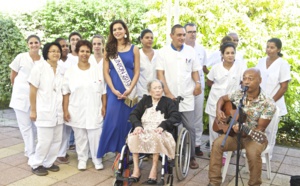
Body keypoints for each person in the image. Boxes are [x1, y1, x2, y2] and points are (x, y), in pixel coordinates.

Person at [208, 68, 276, 186]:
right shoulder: (239, 94)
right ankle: (214, 182)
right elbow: (222, 99)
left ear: (260, 80)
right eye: (244, 78)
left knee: (252, 152)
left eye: (250, 79)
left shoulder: (268, 103)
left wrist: (243, 130)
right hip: (235, 135)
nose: (246, 82)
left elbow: (260, 129)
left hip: (254, 136)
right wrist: (219, 110)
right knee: (217, 144)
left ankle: (254, 184)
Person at [156, 24, 202, 169]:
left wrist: (198, 83)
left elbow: (195, 71)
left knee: (190, 127)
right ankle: (170, 156)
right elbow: (160, 74)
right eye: (179, 35)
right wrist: (168, 94)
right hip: (169, 97)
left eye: (183, 35)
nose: (182, 37)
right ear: (171, 36)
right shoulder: (162, 52)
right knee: (169, 127)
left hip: (187, 96)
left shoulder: (190, 51)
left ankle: (191, 157)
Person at [97, 20, 140, 158]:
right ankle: (116, 152)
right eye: (114, 29)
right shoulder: (109, 49)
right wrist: (113, 89)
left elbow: (137, 72)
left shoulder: (134, 48)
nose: (117, 32)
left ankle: (128, 152)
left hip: (129, 89)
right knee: (113, 121)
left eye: (119, 29)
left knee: (127, 121)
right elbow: (106, 72)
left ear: (125, 30)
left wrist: (129, 90)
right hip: (114, 89)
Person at [62, 40, 106, 171]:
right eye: (82, 51)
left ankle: (97, 158)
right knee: (80, 136)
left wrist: (104, 107)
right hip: (76, 108)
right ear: (77, 52)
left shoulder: (97, 70)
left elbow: (103, 91)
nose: (85, 54)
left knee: (95, 135)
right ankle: (82, 159)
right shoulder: (70, 71)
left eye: (87, 51)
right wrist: (65, 110)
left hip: (94, 107)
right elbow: (66, 92)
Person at [128, 79, 181, 184]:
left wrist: (163, 125)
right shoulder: (145, 100)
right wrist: (138, 126)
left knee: (156, 137)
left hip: (160, 130)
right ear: (150, 91)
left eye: (160, 88)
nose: (158, 91)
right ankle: (136, 170)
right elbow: (133, 114)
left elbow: (176, 116)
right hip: (144, 128)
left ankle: (154, 168)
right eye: (155, 88)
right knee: (133, 137)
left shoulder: (168, 101)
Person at [205, 42, 246, 163]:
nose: (230, 55)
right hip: (215, 101)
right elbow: (209, 82)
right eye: (227, 53)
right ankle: (215, 152)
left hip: (231, 102)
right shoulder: (216, 67)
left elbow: (243, 82)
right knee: (215, 128)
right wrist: (218, 88)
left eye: (232, 53)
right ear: (222, 54)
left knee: (229, 127)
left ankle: (226, 153)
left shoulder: (240, 67)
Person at [28, 42, 64, 176]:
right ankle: (37, 164)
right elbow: (32, 90)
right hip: (44, 110)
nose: (56, 53)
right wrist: (33, 110)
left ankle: (49, 162)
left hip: (58, 111)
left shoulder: (61, 69)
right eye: (52, 51)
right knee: (44, 140)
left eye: (57, 51)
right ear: (46, 53)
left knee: (56, 140)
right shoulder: (39, 67)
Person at [255, 38, 291, 161]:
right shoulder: (260, 61)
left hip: (274, 102)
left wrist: (270, 101)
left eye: (272, 47)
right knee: (257, 128)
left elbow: (284, 87)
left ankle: (266, 155)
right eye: (267, 47)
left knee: (270, 130)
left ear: (279, 49)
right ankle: (255, 151)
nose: (269, 50)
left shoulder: (282, 64)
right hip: (259, 101)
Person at [9, 35, 43, 158]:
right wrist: (19, 89)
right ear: (27, 44)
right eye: (31, 43)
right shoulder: (21, 57)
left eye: (36, 42)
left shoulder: (43, 60)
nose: (34, 45)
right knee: (25, 127)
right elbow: (13, 75)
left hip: (36, 99)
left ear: (40, 44)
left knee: (37, 126)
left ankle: (32, 149)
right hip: (20, 98)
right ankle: (30, 152)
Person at [184, 23, 207, 156]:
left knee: (198, 117)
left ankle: (197, 144)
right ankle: (186, 145)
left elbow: (203, 68)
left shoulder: (201, 49)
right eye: (189, 32)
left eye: (194, 31)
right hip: (186, 88)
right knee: (186, 118)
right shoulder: (182, 49)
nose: (192, 34)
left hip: (199, 87)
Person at [55, 37, 73, 164]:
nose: (65, 48)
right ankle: (57, 152)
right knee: (58, 127)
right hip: (56, 97)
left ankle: (62, 151)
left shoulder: (73, 60)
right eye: (62, 46)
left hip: (71, 97)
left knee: (67, 125)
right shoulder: (52, 62)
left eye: (66, 45)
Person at [67, 32, 82, 150]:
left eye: (77, 39)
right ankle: (70, 142)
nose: (75, 41)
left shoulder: (84, 55)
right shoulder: (66, 57)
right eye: (72, 39)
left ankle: (77, 143)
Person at [137, 29, 158, 100]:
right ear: (141, 39)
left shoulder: (159, 54)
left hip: (157, 93)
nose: (150, 39)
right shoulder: (137, 54)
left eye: (151, 38)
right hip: (142, 93)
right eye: (147, 37)